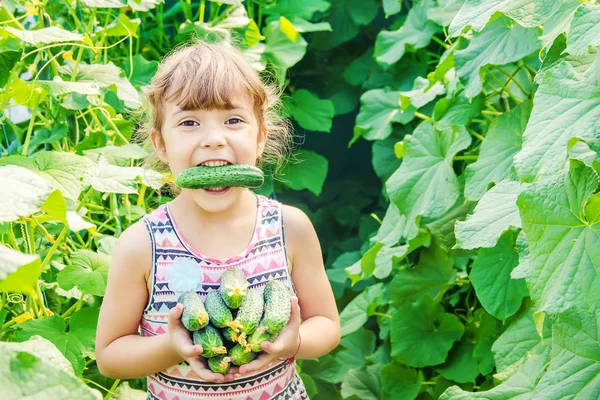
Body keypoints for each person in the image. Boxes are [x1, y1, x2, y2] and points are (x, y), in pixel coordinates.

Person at [95, 38, 341, 400]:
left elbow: (328, 325)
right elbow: (110, 357)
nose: (213, 139)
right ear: (160, 144)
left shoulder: (290, 227)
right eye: (190, 121)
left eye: (233, 120)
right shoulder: (142, 244)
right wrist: (172, 348)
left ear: (260, 138)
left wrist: (295, 341)